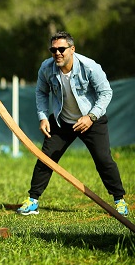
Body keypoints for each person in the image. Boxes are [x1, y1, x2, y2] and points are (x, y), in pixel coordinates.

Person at [17, 31, 128, 216]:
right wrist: (43, 117)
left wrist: (91, 117)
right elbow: (41, 93)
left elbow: (106, 92)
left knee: (104, 160)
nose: (57, 53)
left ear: (72, 49)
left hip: (92, 120)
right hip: (62, 122)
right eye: (53, 49)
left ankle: (119, 200)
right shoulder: (46, 68)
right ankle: (33, 200)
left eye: (62, 49)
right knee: (46, 158)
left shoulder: (89, 66)